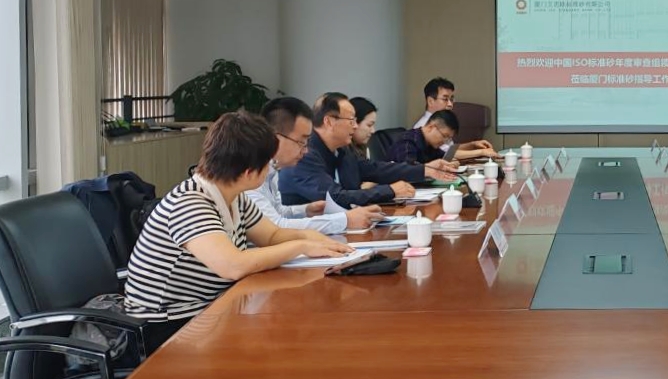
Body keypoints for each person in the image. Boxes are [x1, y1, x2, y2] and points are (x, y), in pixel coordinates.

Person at [124, 111, 353, 347]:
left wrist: (313, 238)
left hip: (210, 310)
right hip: (169, 324)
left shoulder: (233, 197)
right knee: (279, 341)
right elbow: (233, 266)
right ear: (249, 172)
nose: (270, 169)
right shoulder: (189, 203)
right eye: (267, 164)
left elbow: (271, 235)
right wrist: (301, 246)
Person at [279, 92, 455, 208]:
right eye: (351, 121)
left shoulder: (342, 150)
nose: (355, 126)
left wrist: (426, 170)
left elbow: (375, 169)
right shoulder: (304, 154)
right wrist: (390, 190)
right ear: (329, 121)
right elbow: (335, 197)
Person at [248, 97, 383, 234]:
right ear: (276, 139)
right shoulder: (249, 174)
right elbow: (275, 226)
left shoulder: (271, 169)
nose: (306, 150)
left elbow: (279, 212)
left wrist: (305, 210)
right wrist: (345, 220)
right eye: (301, 142)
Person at [412, 77, 497, 160]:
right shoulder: (424, 126)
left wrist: (472, 145)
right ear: (430, 101)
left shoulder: (443, 121)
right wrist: (481, 152)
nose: (450, 104)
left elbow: (450, 149)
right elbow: (445, 154)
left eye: (451, 99)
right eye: (445, 99)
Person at [388, 109, 460, 165]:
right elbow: (408, 170)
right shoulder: (407, 141)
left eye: (448, 139)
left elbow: (442, 157)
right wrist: (431, 167)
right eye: (444, 136)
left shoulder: (430, 144)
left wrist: (451, 162)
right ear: (431, 127)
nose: (445, 141)